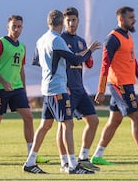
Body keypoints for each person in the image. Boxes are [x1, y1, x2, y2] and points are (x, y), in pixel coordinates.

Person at [23, 9, 101, 174]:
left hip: (47, 87)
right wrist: (90, 50)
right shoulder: (57, 40)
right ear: (61, 23)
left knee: (45, 125)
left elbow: (36, 61)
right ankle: (71, 165)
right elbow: (76, 59)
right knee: (67, 124)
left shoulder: (41, 39)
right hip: (58, 87)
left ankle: (30, 162)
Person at [91, 6, 138, 166]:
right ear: (121, 19)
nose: (134, 19)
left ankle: (97, 155)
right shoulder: (113, 38)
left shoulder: (127, 36)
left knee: (115, 120)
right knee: (137, 118)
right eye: (131, 17)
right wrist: (100, 90)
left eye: (133, 17)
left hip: (126, 84)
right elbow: (104, 65)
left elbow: (132, 60)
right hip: (119, 86)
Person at [0, 15, 48, 166]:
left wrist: (24, 91)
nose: (16, 29)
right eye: (14, 26)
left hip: (17, 88)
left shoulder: (22, 46)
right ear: (8, 27)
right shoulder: (0, 43)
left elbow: (21, 70)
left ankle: (31, 154)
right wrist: (3, 82)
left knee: (28, 117)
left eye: (19, 26)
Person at [57, 7, 100, 172]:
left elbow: (85, 62)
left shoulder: (81, 41)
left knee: (93, 121)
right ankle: (64, 162)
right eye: (68, 20)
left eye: (73, 20)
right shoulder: (60, 40)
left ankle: (83, 157)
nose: (71, 23)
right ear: (63, 22)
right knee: (64, 126)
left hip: (80, 89)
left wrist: (89, 56)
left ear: (78, 21)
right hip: (67, 89)